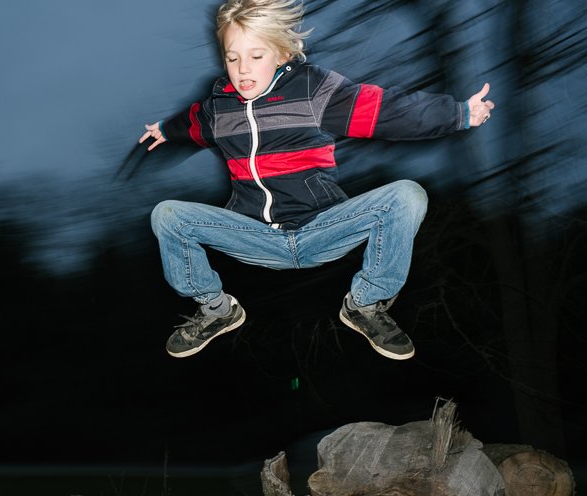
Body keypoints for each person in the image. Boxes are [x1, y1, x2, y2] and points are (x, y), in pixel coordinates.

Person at [138, 0, 495, 360]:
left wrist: (458, 114)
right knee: (167, 215)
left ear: (281, 54)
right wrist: (166, 130)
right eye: (233, 58)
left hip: (321, 228)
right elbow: (194, 122)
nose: (243, 69)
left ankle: (365, 304)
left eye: (256, 56)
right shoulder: (219, 108)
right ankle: (216, 310)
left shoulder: (314, 91)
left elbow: (385, 110)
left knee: (406, 196)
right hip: (254, 235)